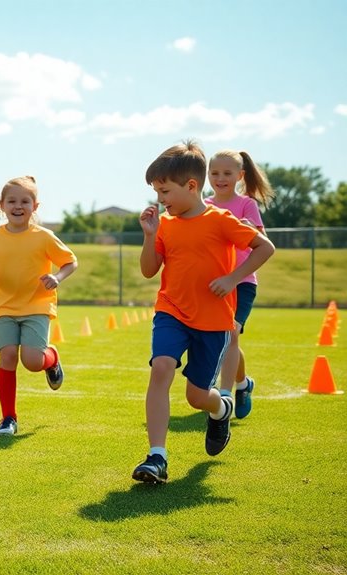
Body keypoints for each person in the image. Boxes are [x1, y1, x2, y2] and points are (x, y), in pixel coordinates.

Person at [132, 141, 275, 484]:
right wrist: (150, 236)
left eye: (164, 190)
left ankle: (221, 407)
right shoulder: (165, 224)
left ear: (191, 186)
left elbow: (263, 247)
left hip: (213, 321)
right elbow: (149, 270)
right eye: (156, 191)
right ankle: (157, 457)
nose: (160, 198)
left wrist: (232, 278)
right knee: (161, 367)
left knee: (196, 396)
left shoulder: (221, 220)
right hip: (171, 311)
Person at [0, 176, 78, 436]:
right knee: (8, 355)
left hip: (37, 305)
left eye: (25, 201)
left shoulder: (44, 237)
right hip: (4, 306)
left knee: (32, 361)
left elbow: (70, 261)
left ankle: (51, 359)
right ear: (2, 205)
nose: (18, 206)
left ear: (35, 206)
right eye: (12, 201)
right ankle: (8, 418)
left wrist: (57, 277)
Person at [205, 150, 273, 420]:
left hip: (243, 281)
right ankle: (244, 384)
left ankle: (225, 394)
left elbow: (262, 240)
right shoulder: (205, 205)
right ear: (207, 175)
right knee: (225, 337)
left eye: (227, 173)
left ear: (240, 176)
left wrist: (248, 228)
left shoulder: (247, 204)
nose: (220, 178)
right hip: (215, 282)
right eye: (215, 173)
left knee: (231, 334)